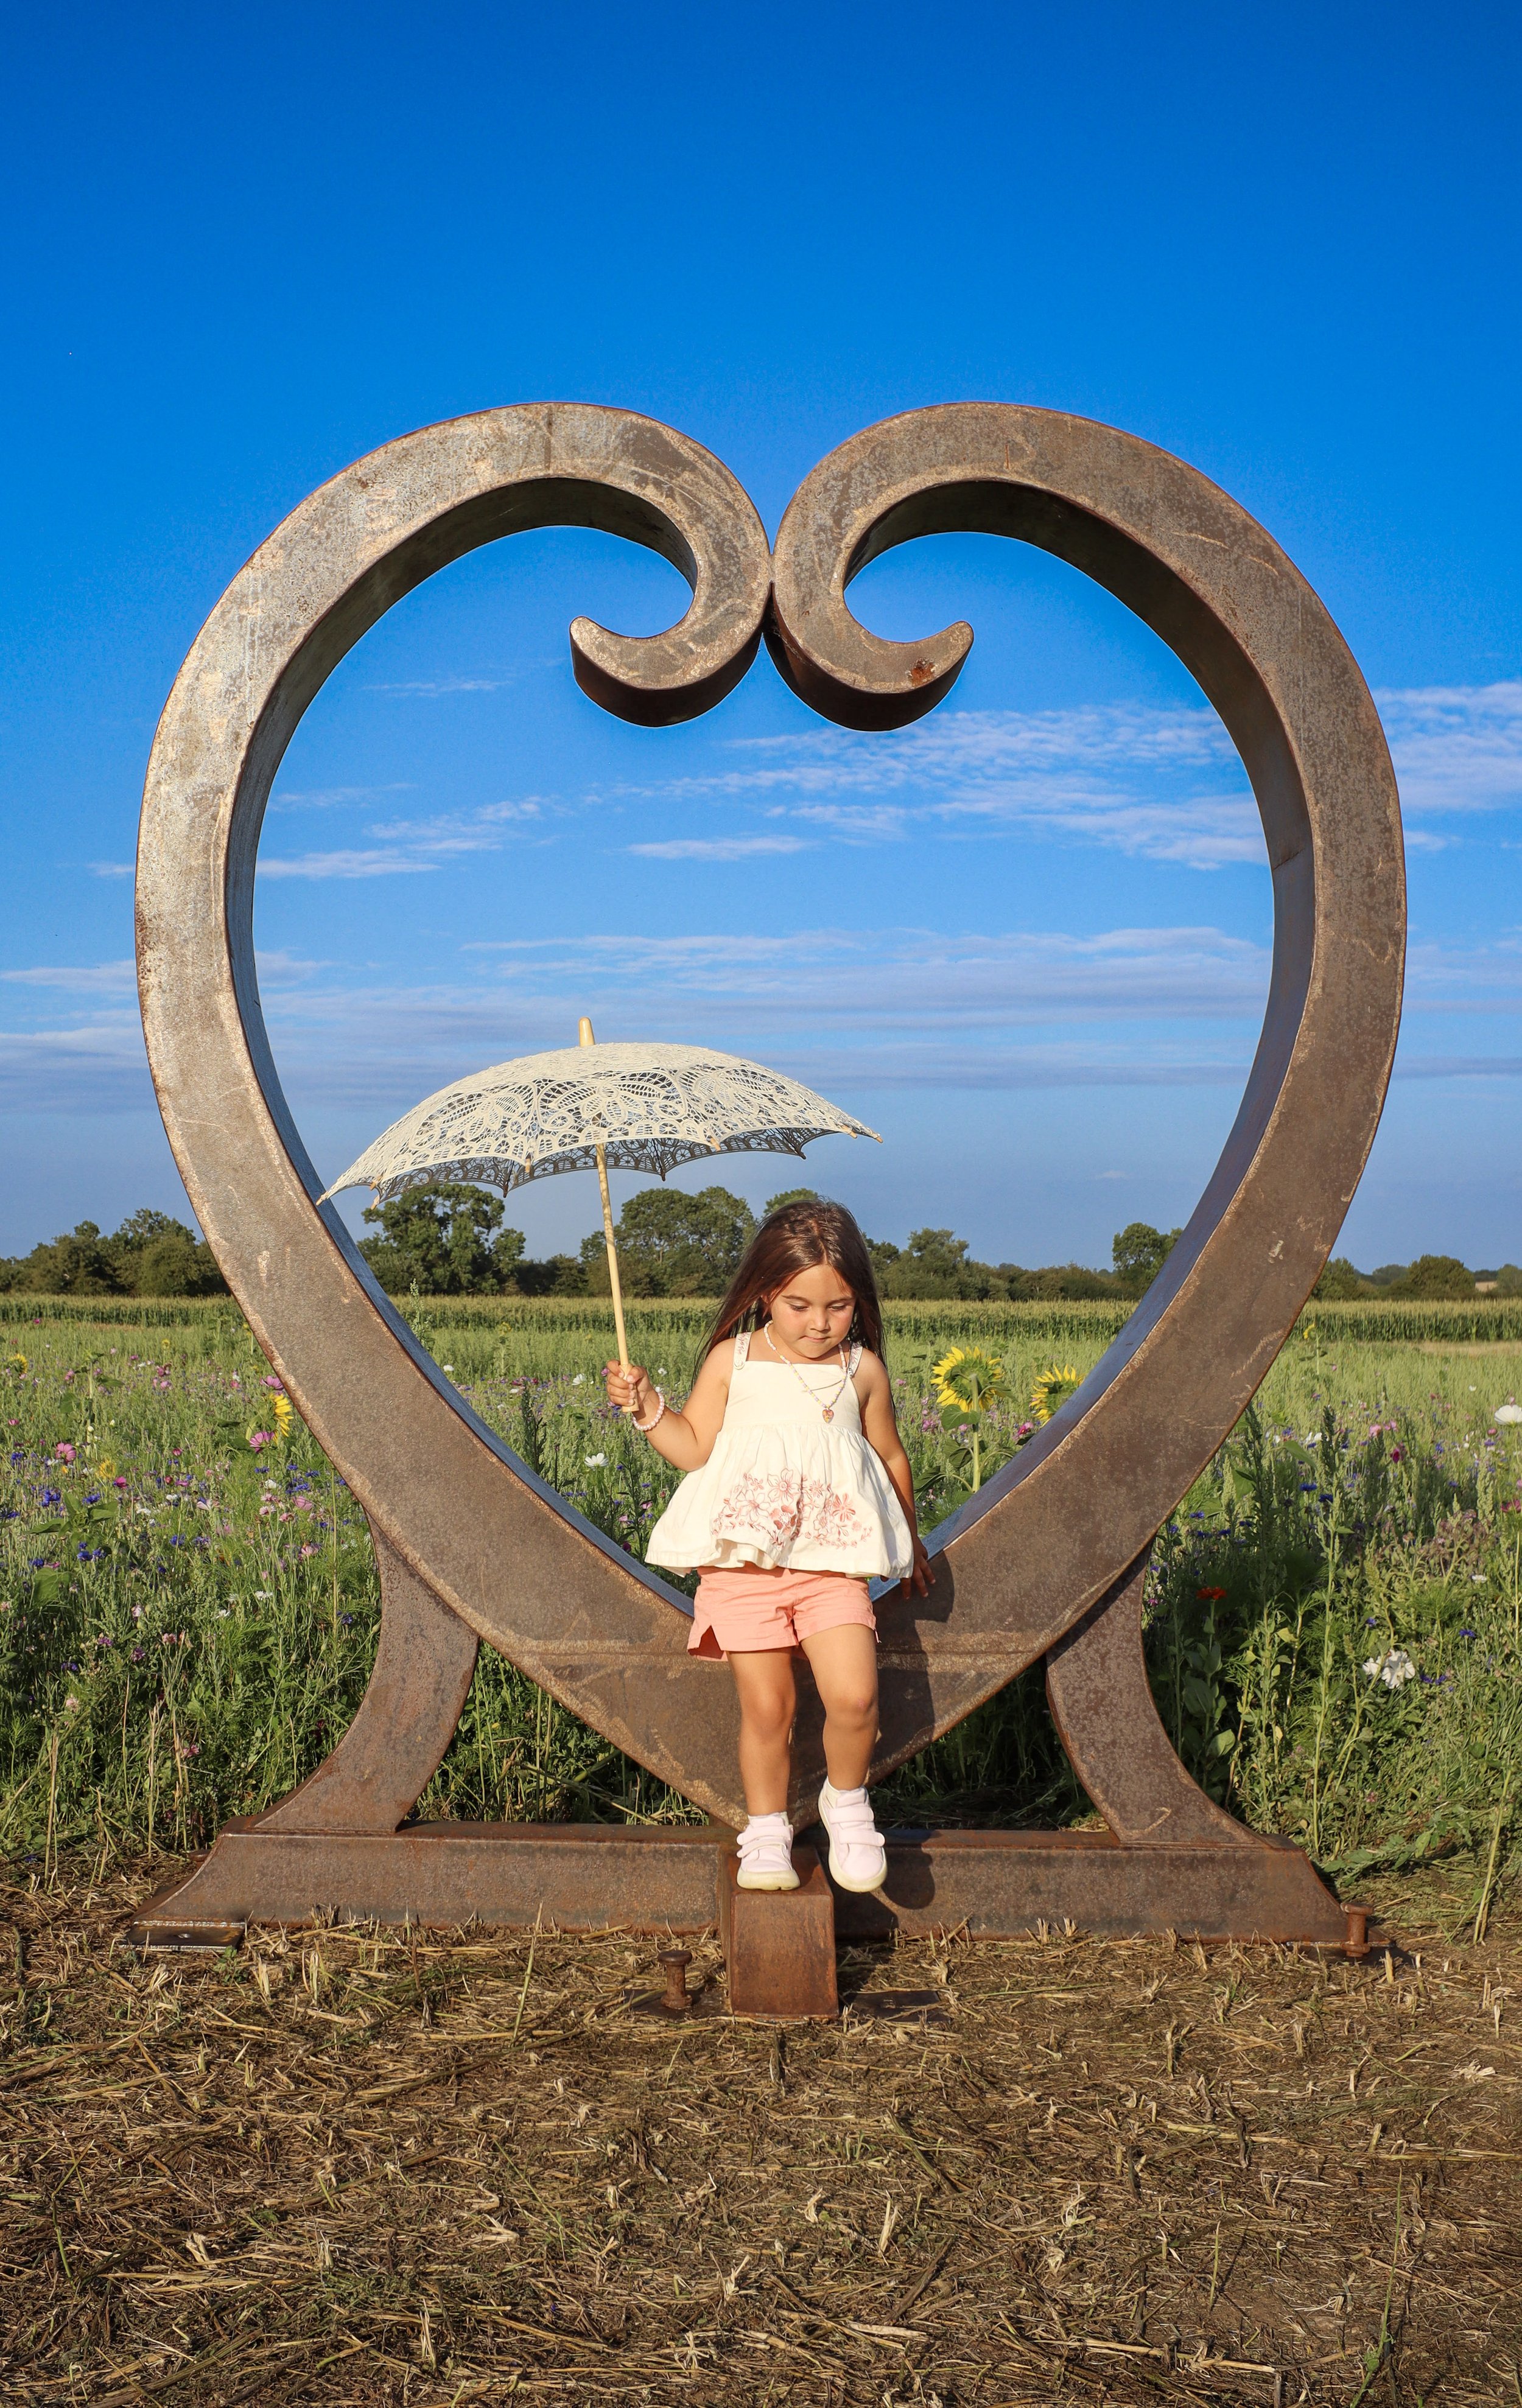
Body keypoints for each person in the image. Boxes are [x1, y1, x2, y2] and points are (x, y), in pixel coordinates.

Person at [603, 1198, 934, 1897]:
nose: (819, 1323)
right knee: (769, 1709)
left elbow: (891, 1455)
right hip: (741, 1571)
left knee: (853, 1696)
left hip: (831, 1571)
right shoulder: (736, 1359)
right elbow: (692, 1448)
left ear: (858, 1302)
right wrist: (646, 1407)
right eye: (799, 1305)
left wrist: (909, 1537)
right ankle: (764, 1830)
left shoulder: (860, 1370)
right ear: (764, 1294)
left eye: (838, 1306)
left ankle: (845, 1801)